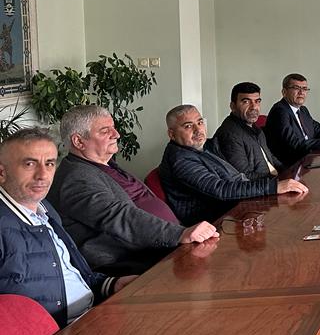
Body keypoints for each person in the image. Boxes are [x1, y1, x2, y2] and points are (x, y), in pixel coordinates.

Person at [50, 105, 219, 275]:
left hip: (164, 245)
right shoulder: (75, 178)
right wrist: (179, 234)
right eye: (105, 131)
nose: (116, 134)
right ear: (79, 141)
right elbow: (118, 216)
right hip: (131, 263)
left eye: (113, 128)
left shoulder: (105, 165)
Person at [0, 127, 135, 327]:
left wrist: (111, 284)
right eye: (29, 164)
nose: (43, 175)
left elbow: (70, 274)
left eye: (49, 163)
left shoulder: (45, 210)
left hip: (93, 315)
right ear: (2, 173)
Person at [160, 105, 308, 226]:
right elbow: (220, 189)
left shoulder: (204, 146)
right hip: (217, 224)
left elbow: (234, 178)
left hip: (239, 208)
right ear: (171, 134)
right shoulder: (179, 159)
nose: (198, 130)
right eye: (188, 126)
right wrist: (273, 187)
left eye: (200, 122)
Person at [209, 82, 283, 180]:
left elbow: (269, 156)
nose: (254, 107)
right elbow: (244, 176)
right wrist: (276, 181)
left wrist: (288, 170)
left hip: (274, 180)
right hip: (263, 186)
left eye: (257, 101)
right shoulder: (230, 135)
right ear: (233, 106)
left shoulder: (255, 128)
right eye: (246, 102)